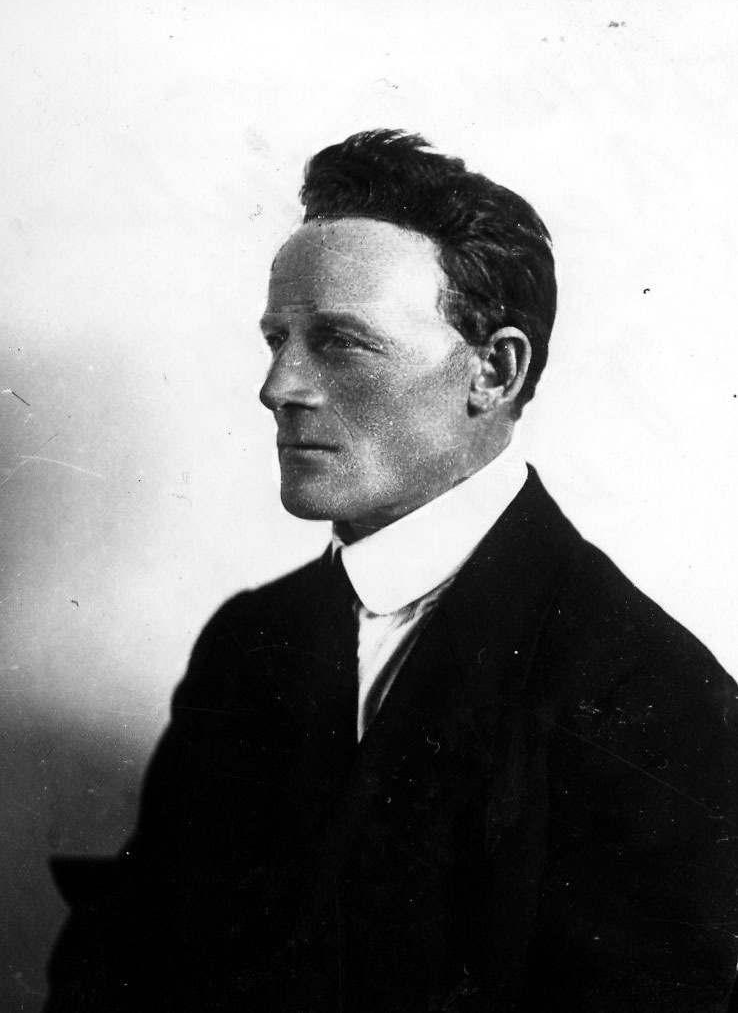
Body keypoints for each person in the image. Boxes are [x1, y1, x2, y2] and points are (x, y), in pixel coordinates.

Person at [45, 130, 738, 1012]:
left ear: (494, 371)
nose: (278, 387)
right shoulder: (249, 641)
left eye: (341, 342)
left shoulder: (653, 700)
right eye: (277, 339)